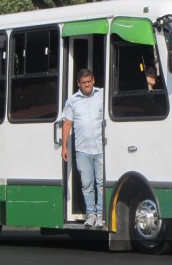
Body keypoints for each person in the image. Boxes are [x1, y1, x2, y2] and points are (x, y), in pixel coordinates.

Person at [61, 69, 104, 228]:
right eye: (84, 83)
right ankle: (91, 214)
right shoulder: (72, 100)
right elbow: (67, 123)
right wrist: (64, 146)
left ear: (93, 80)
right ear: (78, 84)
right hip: (82, 150)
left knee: (100, 183)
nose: (87, 85)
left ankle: (100, 215)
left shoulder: (102, 95)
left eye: (89, 82)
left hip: (101, 148)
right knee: (87, 184)